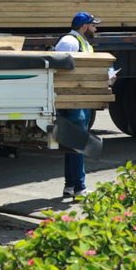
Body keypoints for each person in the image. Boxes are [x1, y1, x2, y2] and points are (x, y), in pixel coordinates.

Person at [53, 12, 101, 198]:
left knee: (73, 143)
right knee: (77, 142)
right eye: (93, 25)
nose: (95, 29)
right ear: (84, 27)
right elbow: (62, 70)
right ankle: (80, 187)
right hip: (73, 100)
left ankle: (70, 186)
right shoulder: (69, 42)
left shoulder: (83, 43)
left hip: (82, 98)